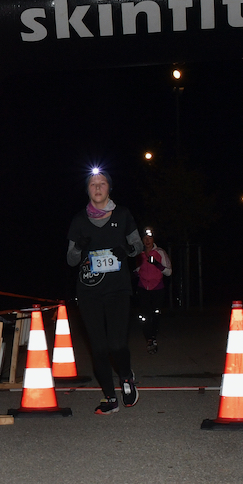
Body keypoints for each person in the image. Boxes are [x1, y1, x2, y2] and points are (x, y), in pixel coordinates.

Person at [67, 168, 141, 414]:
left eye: (102, 184)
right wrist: (78, 247)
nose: (97, 188)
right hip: (89, 291)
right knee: (98, 347)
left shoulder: (123, 214)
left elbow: (138, 246)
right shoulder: (79, 219)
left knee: (117, 344)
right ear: (87, 190)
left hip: (118, 289)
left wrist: (126, 251)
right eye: (92, 184)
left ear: (109, 187)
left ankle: (127, 377)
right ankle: (110, 397)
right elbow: (70, 260)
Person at [136, 227, 172, 353]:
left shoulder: (160, 252)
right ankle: (149, 339)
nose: (147, 241)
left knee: (156, 313)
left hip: (157, 288)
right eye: (145, 238)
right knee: (145, 316)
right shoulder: (139, 253)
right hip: (143, 288)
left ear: (153, 239)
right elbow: (135, 271)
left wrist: (157, 264)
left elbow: (168, 272)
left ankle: (153, 337)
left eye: (150, 238)